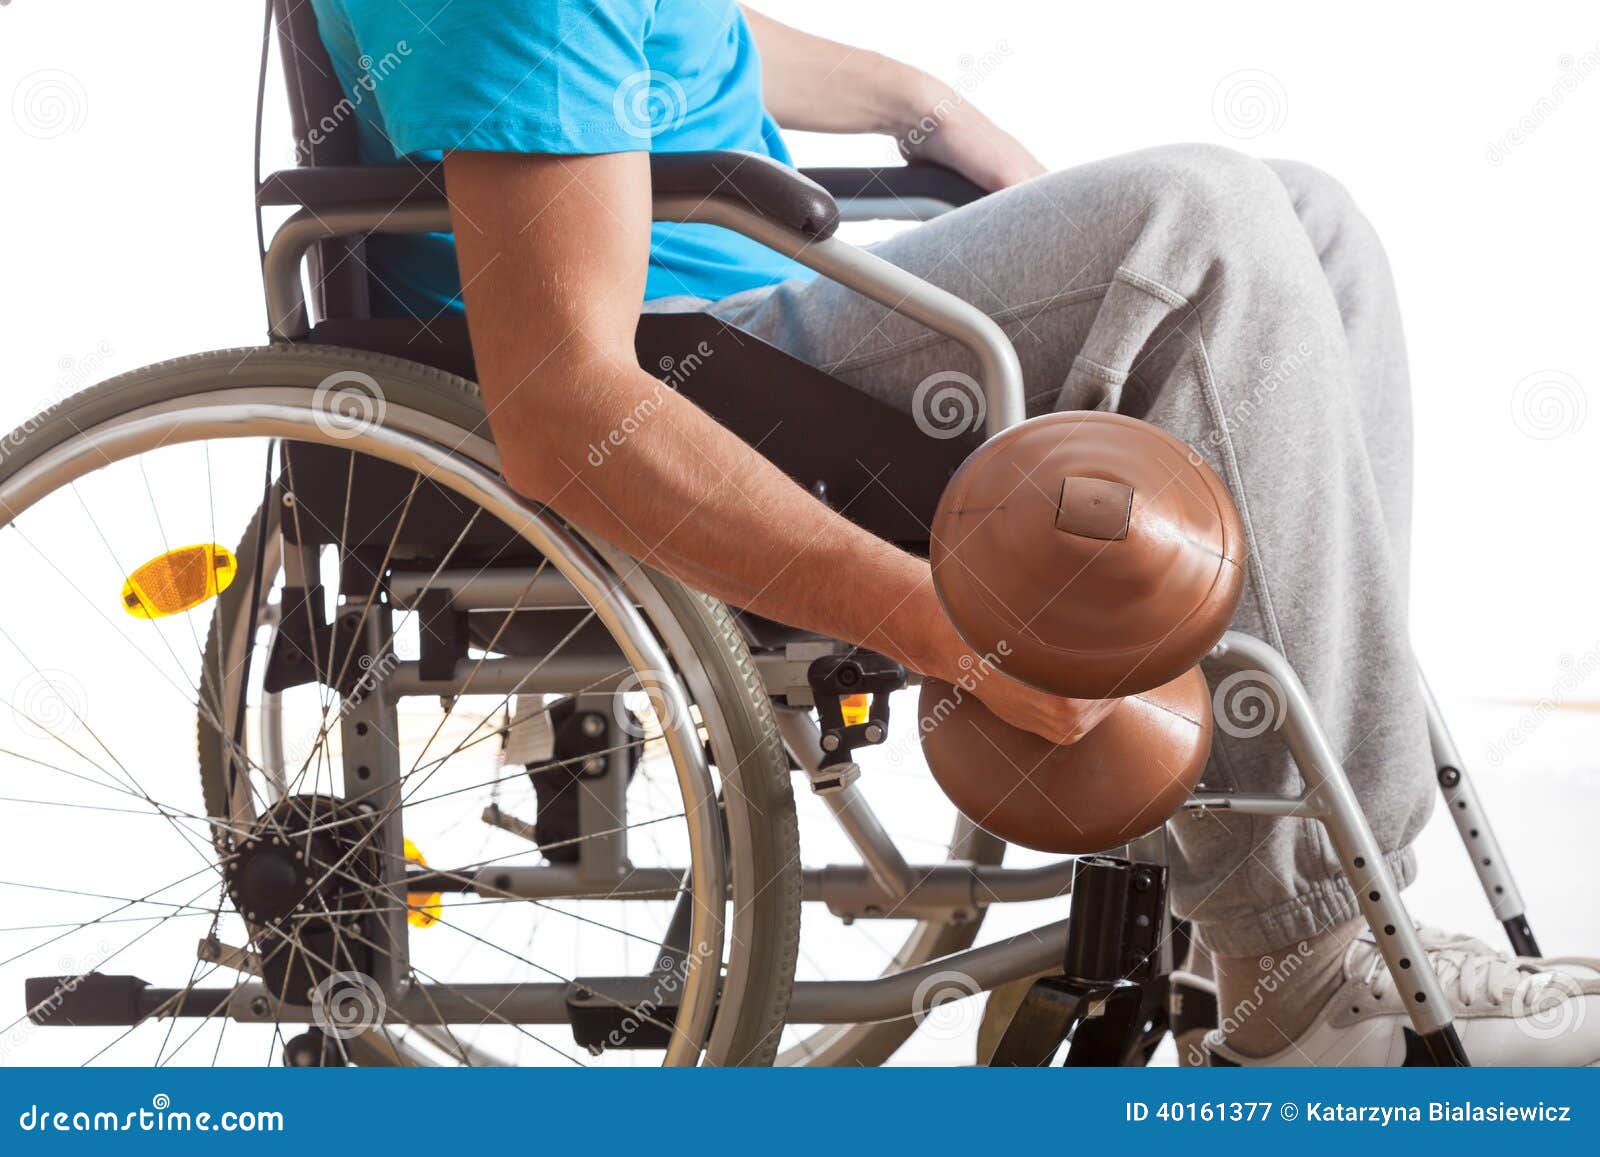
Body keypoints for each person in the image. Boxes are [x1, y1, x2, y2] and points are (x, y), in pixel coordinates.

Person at [306, 0, 1600, 1065]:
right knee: (1209, 229)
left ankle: (1305, 916)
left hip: (745, 312)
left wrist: (922, 105)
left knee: (1304, 216)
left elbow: (664, 45)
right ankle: (1309, 958)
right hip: (690, 380)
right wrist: (940, 625)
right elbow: (562, 407)